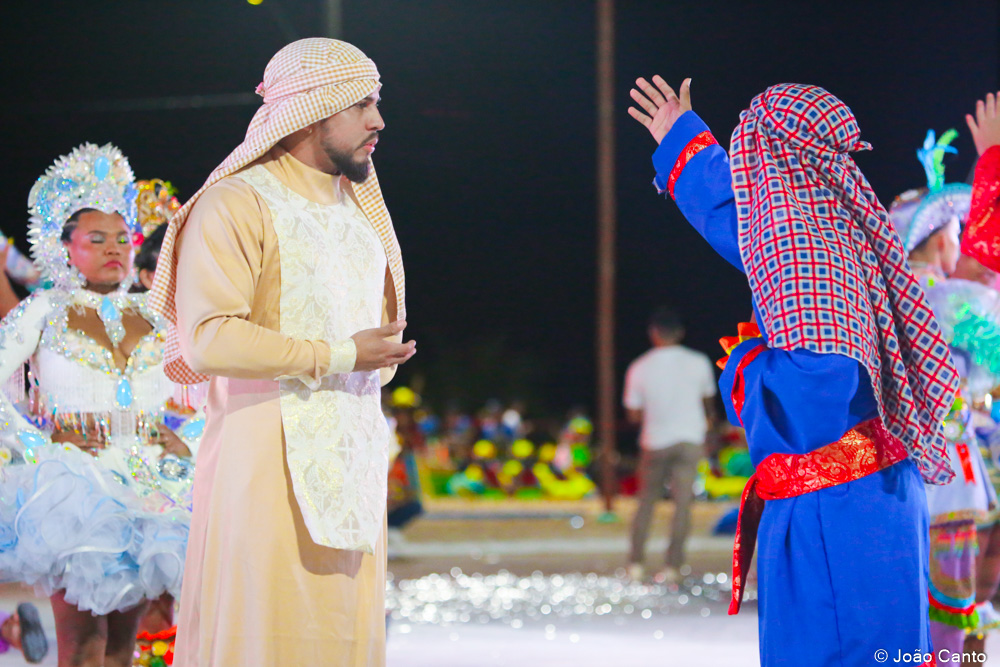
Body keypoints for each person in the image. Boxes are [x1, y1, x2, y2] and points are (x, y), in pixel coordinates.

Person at [629, 79, 958, 666]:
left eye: (750, 153)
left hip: (838, 508)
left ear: (772, 157)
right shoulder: (828, 228)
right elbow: (743, 222)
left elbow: (818, 382)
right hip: (868, 498)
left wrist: (745, 365)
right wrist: (684, 140)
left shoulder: (812, 257)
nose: (746, 170)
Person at [148, 38, 415, 666]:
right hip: (265, 469)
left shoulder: (360, 216)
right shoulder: (238, 203)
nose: (378, 120)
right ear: (311, 109)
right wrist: (340, 354)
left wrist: (361, 358)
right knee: (263, 639)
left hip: (353, 468)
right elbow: (209, 338)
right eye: (361, 104)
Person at [0, 143, 193, 667]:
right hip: (76, 494)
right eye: (97, 239)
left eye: (122, 238)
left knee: (123, 651)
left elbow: (206, 384)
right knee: (82, 649)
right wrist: (37, 446)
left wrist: (183, 438)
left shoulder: (157, 313)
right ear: (66, 248)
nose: (114, 249)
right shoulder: (44, 309)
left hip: (151, 491)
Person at [890, 157, 998, 655]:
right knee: (953, 593)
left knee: (905, 590)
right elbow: (994, 359)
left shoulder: (884, 298)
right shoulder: (952, 299)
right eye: (956, 235)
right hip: (949, 472)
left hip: (893, 467)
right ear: (938, 241)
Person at [623, 306, 716, 583]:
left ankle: (636, 563)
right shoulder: (698, 361)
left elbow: (633, 413)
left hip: (655, 440)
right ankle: (673, 567)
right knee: (683, 505)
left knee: (646, 503)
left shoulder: (640, 366)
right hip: (690, 439)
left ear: (653, 333)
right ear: (680, 333)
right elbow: (708, 406)